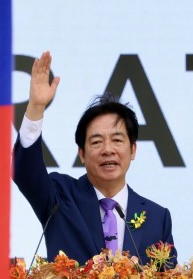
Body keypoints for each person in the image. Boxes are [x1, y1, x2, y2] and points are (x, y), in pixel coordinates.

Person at [13, 51, 176, 267]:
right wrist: (36, 108)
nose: (108, 150)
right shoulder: (59, 198)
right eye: (97, 142)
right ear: (81, 153)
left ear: (133, 150)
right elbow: (25, 171)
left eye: (117, 140)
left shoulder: (157, 217)